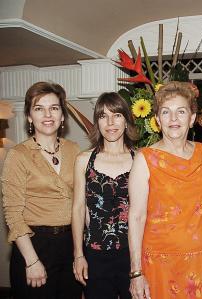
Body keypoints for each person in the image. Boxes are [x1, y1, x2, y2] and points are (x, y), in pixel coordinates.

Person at [128, 81, 202, 299]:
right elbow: (136, 216)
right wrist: (136, 272)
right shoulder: (145, 158)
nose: (173, 119)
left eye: (181, 112)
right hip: (160, 263)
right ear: (158, 120)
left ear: (191, 118)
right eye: (166, 113)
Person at [1, 81, 81, 299]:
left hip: (70, 245)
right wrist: (32, 260)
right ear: (29, 116)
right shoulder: (18, 155)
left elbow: (81, 203)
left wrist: (81, 252)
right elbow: (13, 214)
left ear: (62, 116)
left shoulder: (74, 150)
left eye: (54, 108)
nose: (48, 114)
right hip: (35, 246)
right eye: (39, 108)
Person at [72, 92, 136, 298]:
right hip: (95, 254)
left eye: (116, 115)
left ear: (126, 120)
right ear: (97, 123)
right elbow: (78, 209)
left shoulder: (141, 159)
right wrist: (78, 254)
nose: (110, 122)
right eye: (103, 116)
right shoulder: (84, 160)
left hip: (133, 254)